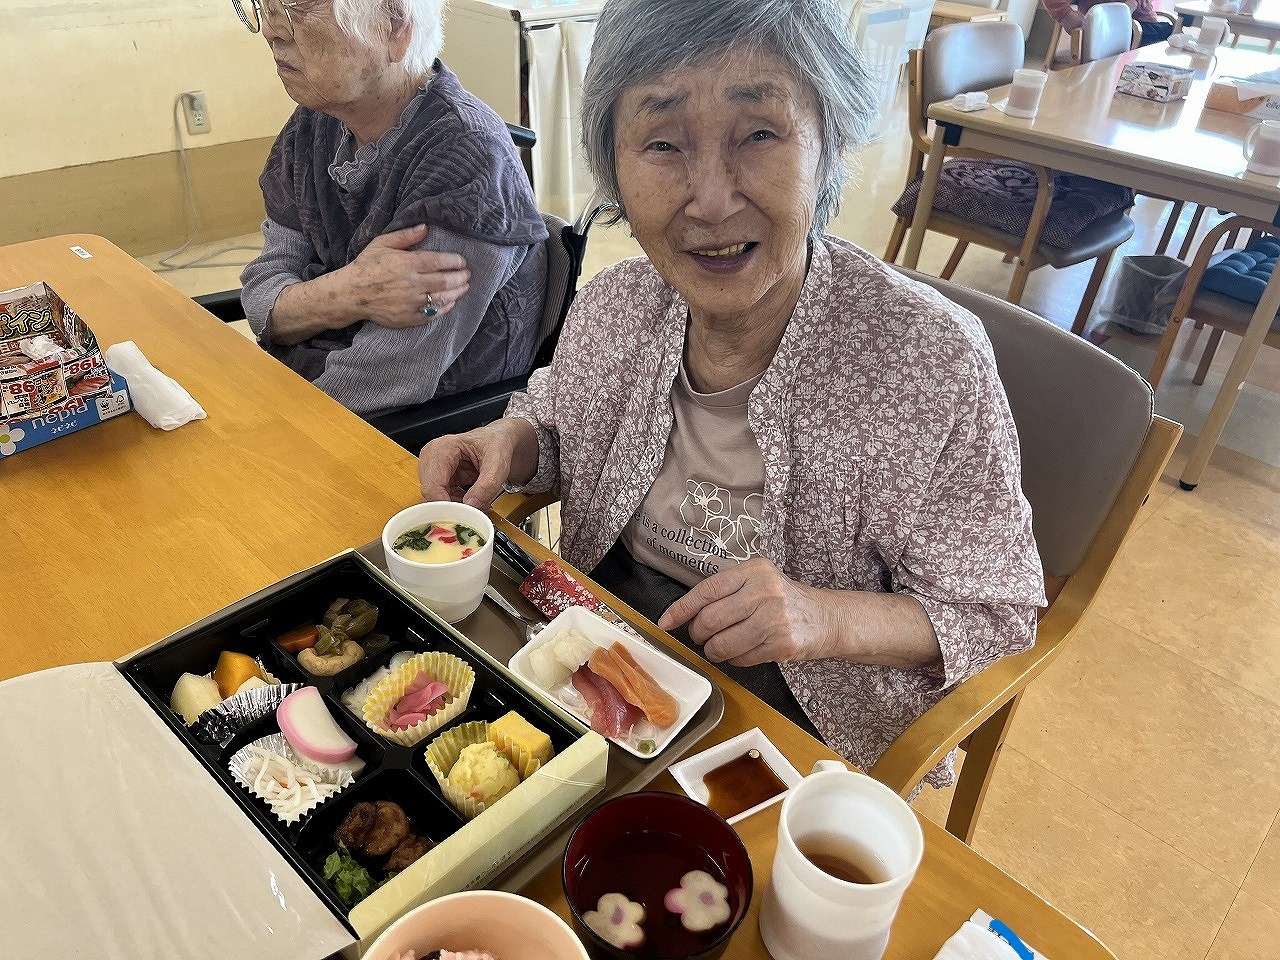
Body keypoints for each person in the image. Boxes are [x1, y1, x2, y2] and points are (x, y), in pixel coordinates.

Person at [418, 0, 1045, 787]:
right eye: (663, 143)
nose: (712, 201)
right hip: (600, 642)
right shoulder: (616, 304)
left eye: (759, 134)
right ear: (615, 167)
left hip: (808, 709)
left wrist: (820, 616)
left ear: (827, 145)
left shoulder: (930, 362)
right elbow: (556, 421)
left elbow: (996, 612)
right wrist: (507, 444)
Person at [235, 0, 547, 417]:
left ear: (395, 24)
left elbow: (379, 380)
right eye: (266, 5)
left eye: (299, 4)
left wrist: (261, 414)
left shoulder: (465, 162)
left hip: (415, 432)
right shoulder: (314, 124)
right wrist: (349, 292)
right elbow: (260, 299)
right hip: (306, 397)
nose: (272, 30)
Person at [1042, 0, 1173, 47]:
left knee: (1171, 32)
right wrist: (1065, 14)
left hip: (1138, 27)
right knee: (1170, 33)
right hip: (1110, 32)